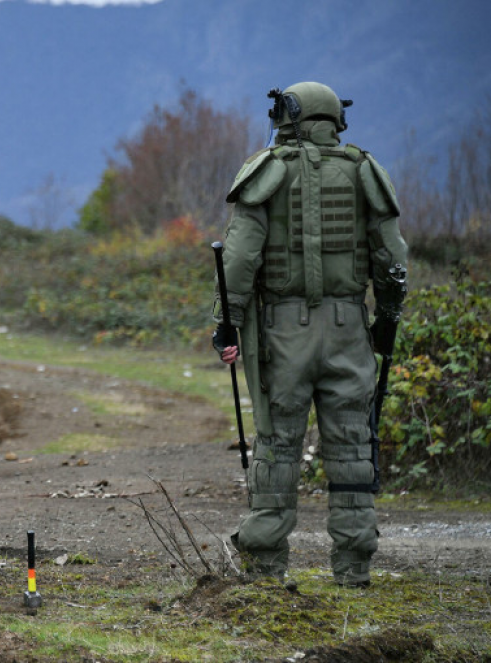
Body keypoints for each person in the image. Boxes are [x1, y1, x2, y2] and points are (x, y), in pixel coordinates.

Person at [212, 82, 408, 587]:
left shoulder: (266, 172)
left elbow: (239, 259)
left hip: (283, 334)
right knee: (352, 445)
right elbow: (393, 260)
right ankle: (354, 566)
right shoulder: (364, 171)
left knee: (277, 445)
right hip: (349, 330)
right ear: (335, 119)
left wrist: (226, 323)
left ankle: (265, 564)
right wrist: (386, 322)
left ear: (288, 117)